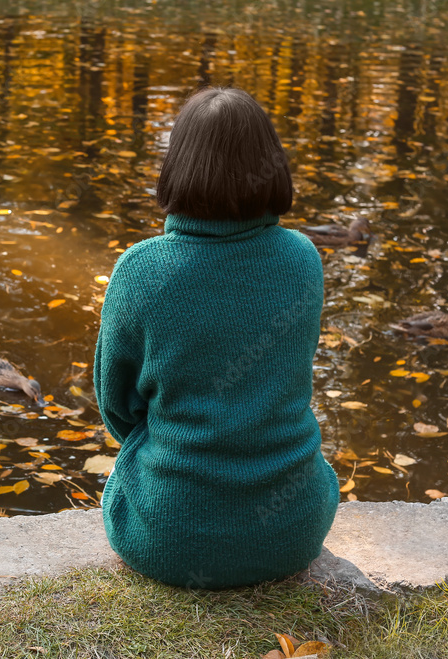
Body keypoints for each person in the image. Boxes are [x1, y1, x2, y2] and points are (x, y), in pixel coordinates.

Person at [94, 87, 339, 589]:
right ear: (271, 164)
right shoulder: (303, 259)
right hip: (293, 530)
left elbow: (117, 404)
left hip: (166, 540)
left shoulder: (141, 270)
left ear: (177, 164)